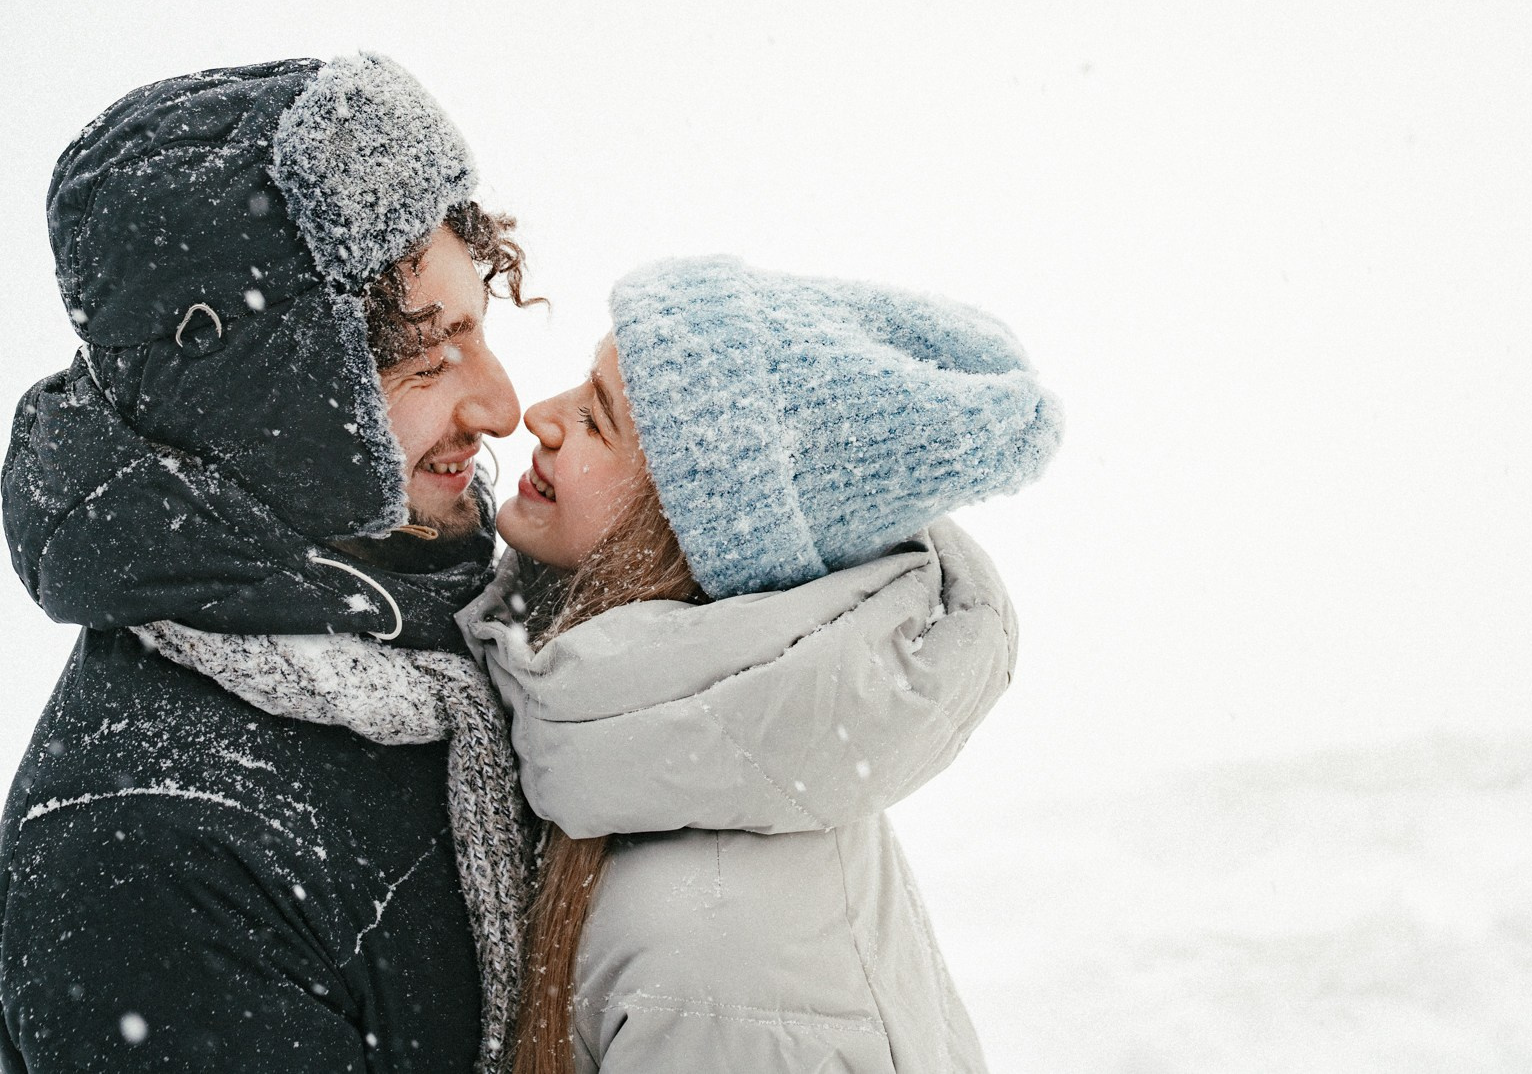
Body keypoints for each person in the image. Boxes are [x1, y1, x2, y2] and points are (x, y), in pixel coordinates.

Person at [0, 55, 536, 1072]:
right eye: (429, 357)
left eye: (482, 328)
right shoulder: (153, 853)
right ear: (270, 401)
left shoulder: (445, 631)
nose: (502, 405)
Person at [458, 255, 1063, 1074]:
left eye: (598, 420)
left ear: (683, 537)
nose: (539, 414)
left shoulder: (723, 959)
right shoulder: (646, 776)